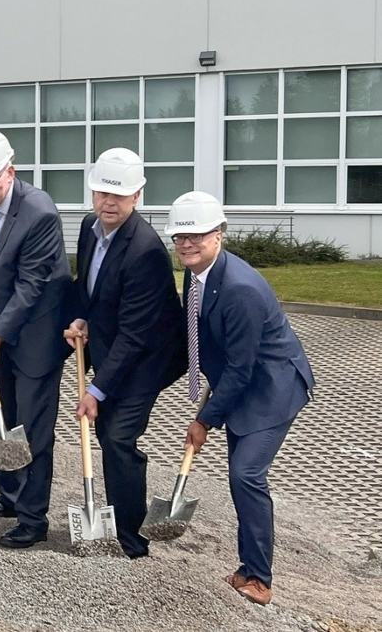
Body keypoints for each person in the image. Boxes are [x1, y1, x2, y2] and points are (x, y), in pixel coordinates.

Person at [168, 191, 314, 606]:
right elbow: (206, 338)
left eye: (197, 235)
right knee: (240, 476)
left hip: (272, 387)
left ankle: (261, 580)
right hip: (241, 381)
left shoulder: (240, 289)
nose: (187, 244)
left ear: (219, 235)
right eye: (180, 236)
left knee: (246, 475)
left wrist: (205, 420)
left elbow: (241, 368)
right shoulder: (195, 274)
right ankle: (247, 567)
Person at [65, 147, 185, 559]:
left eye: (119, 195)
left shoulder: (146, 251)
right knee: (107, 433)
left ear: (138, 196)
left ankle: (133, 542)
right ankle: (116, 520)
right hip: (114, 345)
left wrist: (95, 393)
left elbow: (136, 335)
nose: (108, 203)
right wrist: (82, 317)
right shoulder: (88, 226)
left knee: (117, 436)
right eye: (101, 193)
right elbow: (89, 284)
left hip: (148, 358)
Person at [0, 130, 72, 549]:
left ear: (11, 169)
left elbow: (31, 285)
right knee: (1, 416)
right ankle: (9, 495)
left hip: (35, 334)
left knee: (34, 427)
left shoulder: (39, 212)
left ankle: (32, 517)